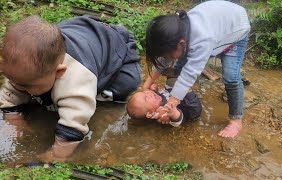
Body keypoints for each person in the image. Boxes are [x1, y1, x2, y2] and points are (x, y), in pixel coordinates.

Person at [0, 15, 141, 161]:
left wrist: (56, 155)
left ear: (59, 72)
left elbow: (73, 127)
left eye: (25, 85)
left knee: (123, 87)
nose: (16, 87)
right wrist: (14, 121)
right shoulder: (26, 70)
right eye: (13, 80)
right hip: (80, 33)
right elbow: (10, 97)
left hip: (115, 49)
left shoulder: (76, 78)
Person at [143, 0, 251, 138]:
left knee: (230, 76)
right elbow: (163, 60)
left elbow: (190, 73)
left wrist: (169, 106)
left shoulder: (202, 39)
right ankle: (179, 93)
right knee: (178, 67)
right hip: (217, 26)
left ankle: (236, 120)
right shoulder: (178, 33)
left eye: (170, 55)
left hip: (236, 30)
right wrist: (146, 85)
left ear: (182, 44)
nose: (168, 58)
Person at [127, 79, 202, 127]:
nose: (149, 94)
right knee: (187, 93)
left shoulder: (155, 100)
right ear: (150, 113)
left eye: (144, 93)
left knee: (169, 82)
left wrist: (155, 89)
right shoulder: (161, 115)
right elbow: (177, 122)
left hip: (177, 98)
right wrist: (173, 113)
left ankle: (184, 85)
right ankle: (187, 88)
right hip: (190, 109)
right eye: (146, 98)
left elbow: (162, 93)